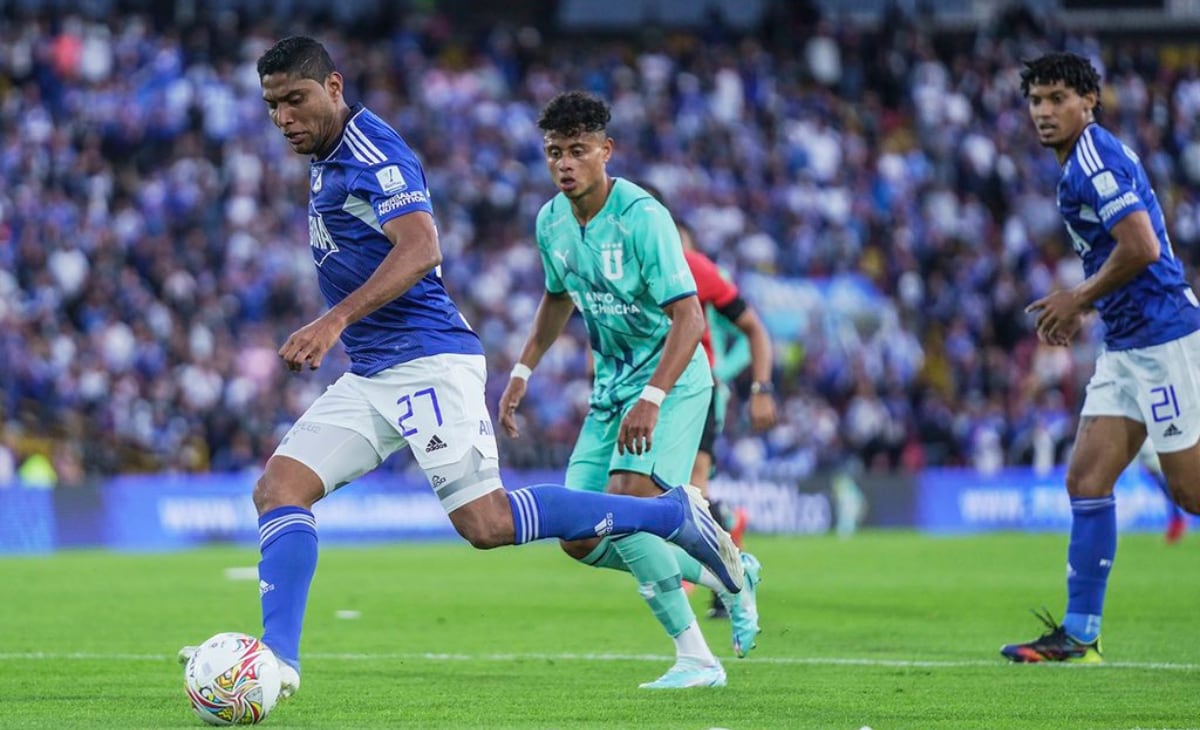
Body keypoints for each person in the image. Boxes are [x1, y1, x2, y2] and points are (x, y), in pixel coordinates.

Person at [177, 37, 743, 698]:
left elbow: (420, 248)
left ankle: (668, 515)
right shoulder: (326, 156)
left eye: (296, 100)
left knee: (488, 524)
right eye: (273, 106)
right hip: (373, 370)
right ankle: (277, 662)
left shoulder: (372, 151)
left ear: (333, 86)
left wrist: (333, 320)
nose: (284, 118)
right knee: (278, 490)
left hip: (428, 362)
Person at [499, 91, 760, 689]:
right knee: (578, 532)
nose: (565, 164)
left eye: (578, 151)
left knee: (628, 502)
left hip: (672, 378)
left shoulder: (644, 216)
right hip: (612, 388)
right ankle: (729, 568)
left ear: (605, 151)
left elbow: (691, 319)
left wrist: (653, 398)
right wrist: (522, 371)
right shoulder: (550, 221)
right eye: (554, 153)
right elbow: (556, 299)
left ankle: (696, 657)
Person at [1002, 51, 1200, 663]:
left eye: (1058, 98)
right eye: (1036, 101)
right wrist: (1091, 307)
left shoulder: (1094, 155)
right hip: (1127, 343)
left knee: (1192, 495)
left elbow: (1140, 245)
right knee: (1086, 479)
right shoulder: (1076, 165)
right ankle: (1080, 634)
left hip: (1165, 339)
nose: (1044, 112)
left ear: (1089, 102)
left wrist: (1078, 298)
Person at [639, 182, 778, 618]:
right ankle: (723, 530)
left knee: (693, 488)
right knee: (661, 491)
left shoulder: (695, 267)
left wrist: (760, 388)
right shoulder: (619, 266)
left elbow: (754, 328)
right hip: (644, 389)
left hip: (697, 389)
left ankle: (715, 576)